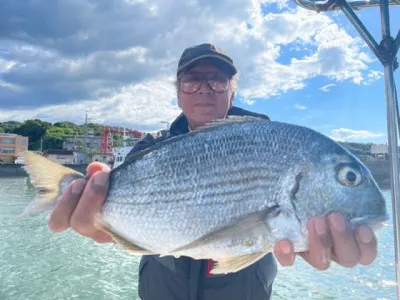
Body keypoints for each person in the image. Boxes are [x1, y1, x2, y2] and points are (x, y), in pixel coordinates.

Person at [48, 43, 378, 300]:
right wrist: (98, 221)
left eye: (217, 80)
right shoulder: (149, 148)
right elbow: (117, 219)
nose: (205, 88)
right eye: (191, 80)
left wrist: (309, 241)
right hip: (162, 287)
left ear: (232, 92)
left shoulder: (274, 142)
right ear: (178, 94)